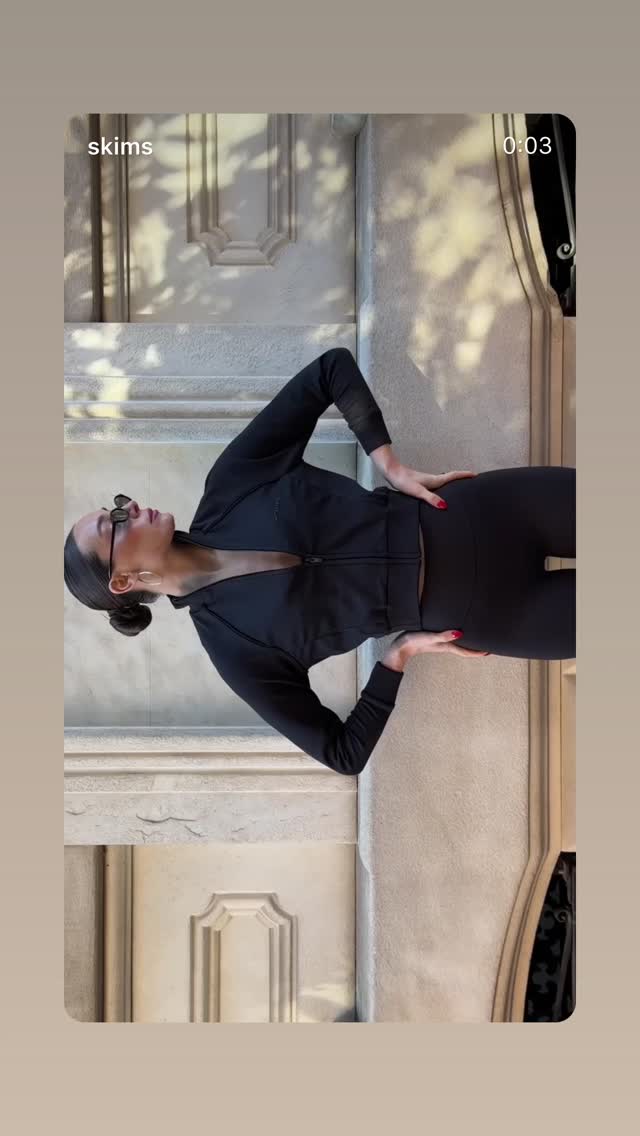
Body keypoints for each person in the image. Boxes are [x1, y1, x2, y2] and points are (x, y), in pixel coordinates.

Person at [64, 347, 575, 776]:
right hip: (493, 613)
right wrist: (398, 657)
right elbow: (343, 753)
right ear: (122, 581)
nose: (130, 507)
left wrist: (390, 465)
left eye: (118, 504)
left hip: (485, 512)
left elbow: (331, 370)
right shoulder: (235, 650)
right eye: (115, 523)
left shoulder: (232, 484)